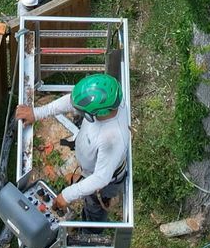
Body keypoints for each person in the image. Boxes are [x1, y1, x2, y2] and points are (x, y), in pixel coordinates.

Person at [15, 72, 129, 222]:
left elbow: (101, 178)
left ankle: (91, 233)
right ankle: (80, 179)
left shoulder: (111, 139)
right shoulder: (109, 100)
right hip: (91, 166)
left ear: (98, 113)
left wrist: (67, 195)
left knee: (94, 207)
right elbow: (71, 101)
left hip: (105, 182)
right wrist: (37, 113)